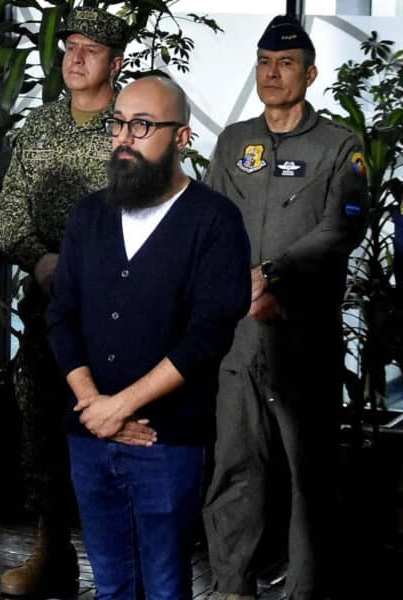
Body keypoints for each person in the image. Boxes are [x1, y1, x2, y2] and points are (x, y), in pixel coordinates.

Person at [46, 75, 251, 600]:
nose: (124, 138)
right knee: (110, 582)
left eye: (142, 125)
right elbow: (62, 315)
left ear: (181, 138)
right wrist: (95, 405)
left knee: (164, 584)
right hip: (88, 432)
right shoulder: (90, 216)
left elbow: (207, 336)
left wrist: (123, 408)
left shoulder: (215, 221)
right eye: (119, 123)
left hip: (167, 440)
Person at [201, 16, 369, 600]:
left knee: (308, 475)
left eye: (287, 63)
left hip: (302, 334)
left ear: (310, 73)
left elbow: (341, 230)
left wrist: (273, 275)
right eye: (265, 62)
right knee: (234, 465)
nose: (273, 74)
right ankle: (231, 586)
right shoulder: (233, 140)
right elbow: (211, 223)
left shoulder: (340, 145)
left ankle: (304, 590)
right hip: (238, 335)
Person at [0, 8, 129, 596]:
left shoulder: (136, 124)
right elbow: (11, 214)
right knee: (44, 425)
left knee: (119, 424)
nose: (74, 58)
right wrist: (41, 260)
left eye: (90, 50)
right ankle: (52, 549)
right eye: (70, 46)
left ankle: (123, 564)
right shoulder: (40, 126)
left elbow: (156, 214)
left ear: (115, 62)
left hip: (123, 308)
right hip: (49, 302)